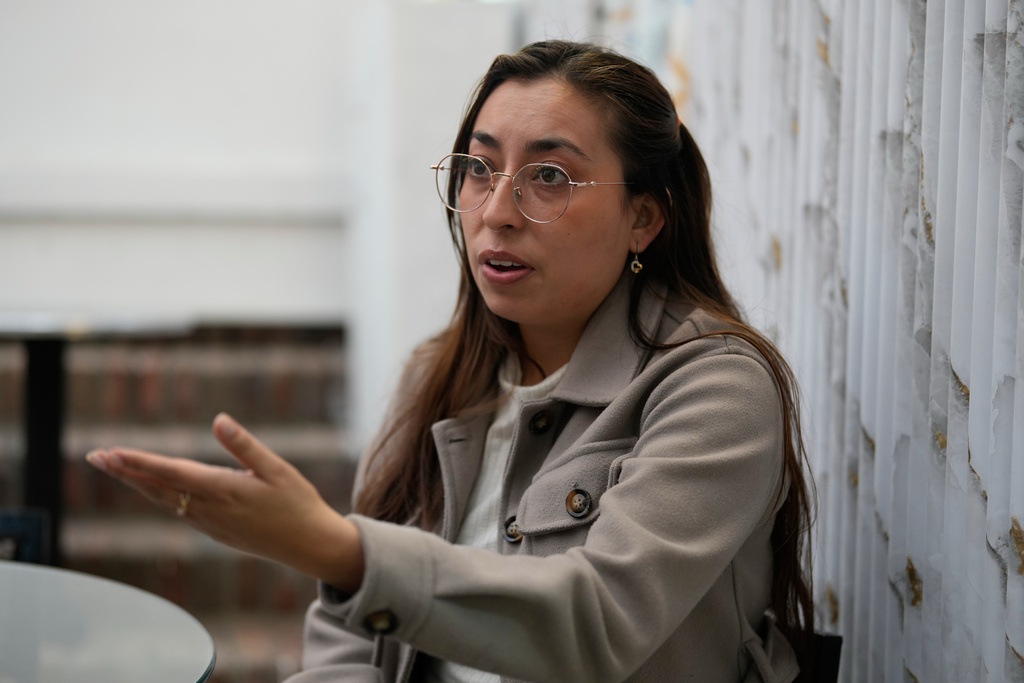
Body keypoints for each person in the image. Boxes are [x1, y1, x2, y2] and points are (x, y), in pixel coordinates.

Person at [86, 40, 815, 683]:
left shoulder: (716, 388)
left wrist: (344, 552)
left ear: (643, 218)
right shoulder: (438, 375)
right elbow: (344, 639)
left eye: (550, 177)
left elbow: (596, 622)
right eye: (478, 168)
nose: (497, 210)